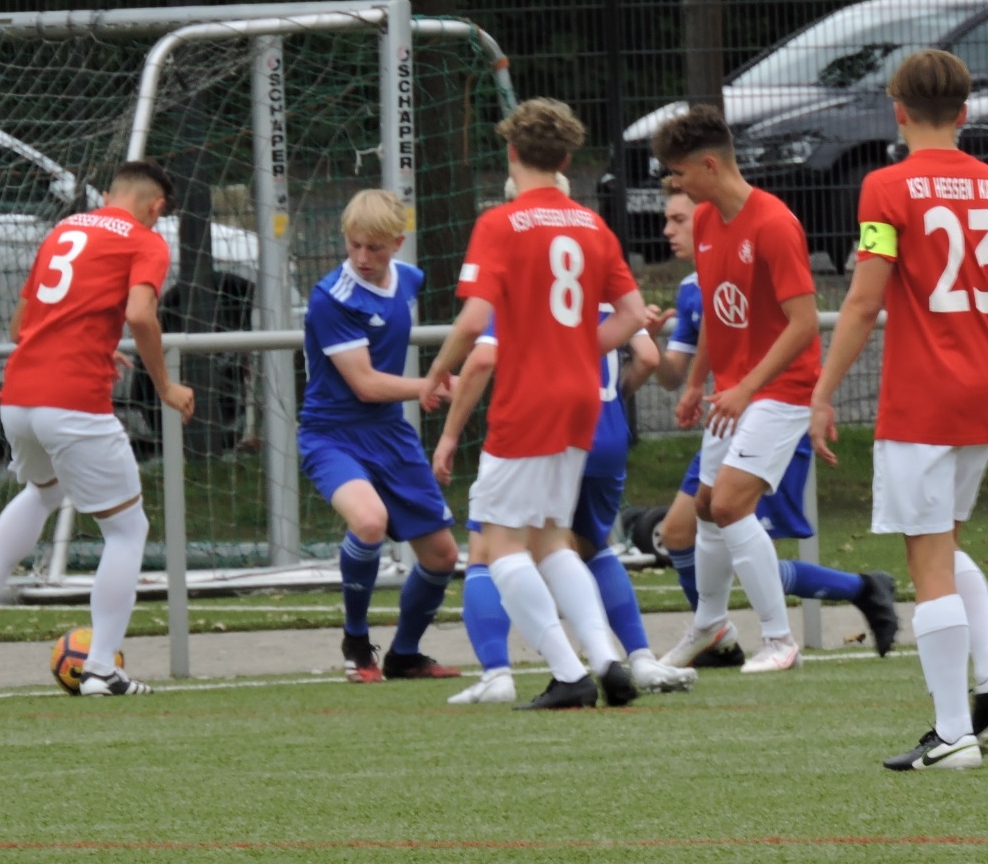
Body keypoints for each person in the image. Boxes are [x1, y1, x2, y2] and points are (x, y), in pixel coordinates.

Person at [810, 49, 988, 771]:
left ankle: (952, 735)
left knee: (927, 562)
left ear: (899, 111)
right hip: (985, 389)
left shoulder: (886, 186)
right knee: (942, 544)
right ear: (965, 112)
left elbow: (864, 301)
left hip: (922, 394)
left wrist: (822, 391)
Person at [419, 98, 648, 710]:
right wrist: (575, 350)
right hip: (581, 398)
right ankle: (607, 660)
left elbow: (474, 321)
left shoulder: (501, 223)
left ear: (512, 152)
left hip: (529, 398)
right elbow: (632, 315)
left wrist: (437, 372)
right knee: (549, 539)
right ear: (567, 159)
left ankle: (569, 673)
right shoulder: (592, 225)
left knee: (498, 546)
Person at [432, 179, 698, 704]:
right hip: (597, 421)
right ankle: (625, 659)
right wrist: (591, 369)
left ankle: (512, 672)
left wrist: (445, 412)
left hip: (534, 412)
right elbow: (645, 349)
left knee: (491, 547)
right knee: (572, 544)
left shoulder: (515, 246)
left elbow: (481, 351)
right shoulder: (592, 238)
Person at [0, 161, 196, 697]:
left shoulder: (64, 229)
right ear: (156, 207)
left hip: (18, 397)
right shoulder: (145, 241)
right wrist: (165, 386)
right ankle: (102, 668)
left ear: (107, 195)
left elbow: (20, 326)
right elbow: (141, 315)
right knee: (127, 530)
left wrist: (94, 345)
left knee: (43, 492)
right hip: (72, 402)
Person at [648, 182, 900, 664]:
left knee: (730, 517)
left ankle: (788, 629)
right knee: (692, 521)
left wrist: (757, 390)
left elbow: (801, 322)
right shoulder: (692, 287)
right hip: (733, 404)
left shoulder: (765, 231)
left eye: (678, 218)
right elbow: (685, 357)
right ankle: (713, 629)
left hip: (772, 404)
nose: (669, 230)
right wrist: (687, 377)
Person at [650, 106, 823, 675]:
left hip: (782, 388)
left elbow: (804, 323)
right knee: (704, 506)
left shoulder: (773, 224)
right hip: (735, 389)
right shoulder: (705, 221)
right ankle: (711, 625)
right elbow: (717, 314)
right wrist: (697, 381)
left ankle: (779, 640)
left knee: (727, 504)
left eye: (678, 173)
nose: (674, 184)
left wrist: (746, 386)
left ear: (708, 165)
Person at [299, 188, 461, 684]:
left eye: (374, 247)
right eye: (354, 246)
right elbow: (366, 385)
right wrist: (431, 386)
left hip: (390, 434)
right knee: (370, 522)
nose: (362, 257)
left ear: (397, 243)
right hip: (332, 435)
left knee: (442, 555)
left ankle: (405, 654)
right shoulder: (332, 298)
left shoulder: (408, 278)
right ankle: (356, 641)